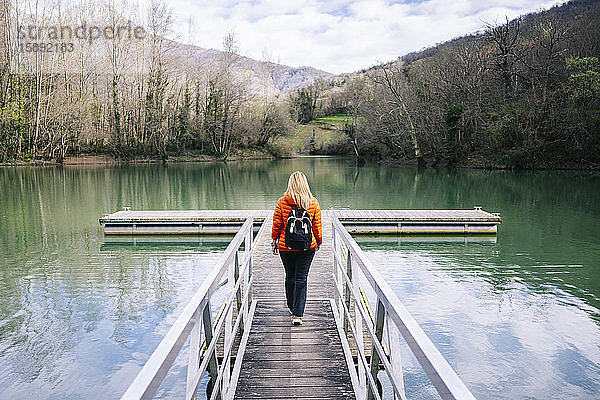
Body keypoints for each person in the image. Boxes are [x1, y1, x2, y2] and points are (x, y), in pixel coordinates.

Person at [271, 171, 322, 325]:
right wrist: (318, 241)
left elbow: (277, 225)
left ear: (290, 184)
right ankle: (297, 315)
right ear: (305, 184)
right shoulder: (312, 202)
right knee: (302, 278)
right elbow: (317, 226)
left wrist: (274, 241)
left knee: (290, 276)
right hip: (307, 247)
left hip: (286, 246)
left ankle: (292, 306)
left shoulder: (282, 202)